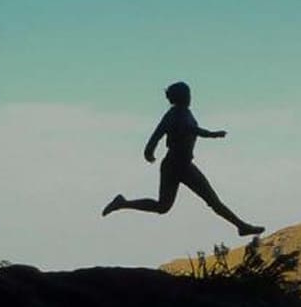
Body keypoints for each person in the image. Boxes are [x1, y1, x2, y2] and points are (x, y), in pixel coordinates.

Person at [102, 81, 264, 235]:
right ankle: (122, 203)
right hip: (174, 165)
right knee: (167, 206)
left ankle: (241, 226)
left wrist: (149, 151)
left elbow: (170, 134)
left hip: (183, 165)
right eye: (188, 94)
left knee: (192, 203)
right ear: (181, 97)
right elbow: (181, 131)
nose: (190, 97)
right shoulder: (174, 115)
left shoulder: (184, 112)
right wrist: (213, 135)